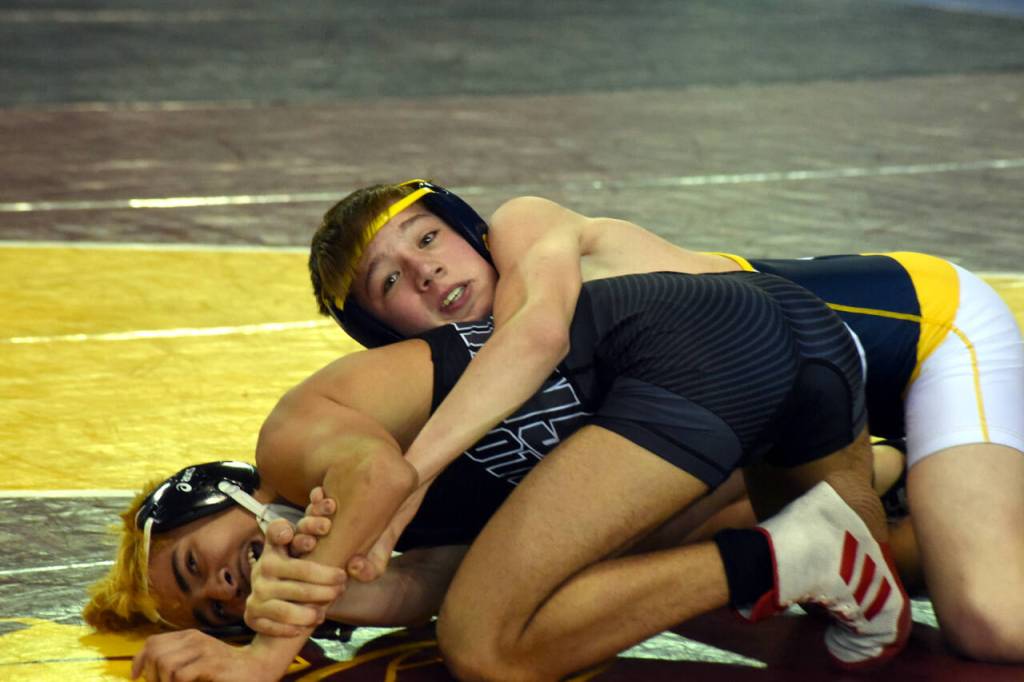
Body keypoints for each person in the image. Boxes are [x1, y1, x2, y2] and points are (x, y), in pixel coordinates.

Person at [309, 179, 1024, 663]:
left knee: (987, 617)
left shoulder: (526, 229)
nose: (424, 270)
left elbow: (534, 337)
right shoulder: (472, 390)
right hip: (808, 421)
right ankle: (906, 485)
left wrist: (412, 476)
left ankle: (911, 482)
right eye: (391, 280)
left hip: (924, 337)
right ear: (383, 332)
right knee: (642, 557)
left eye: (426, 239)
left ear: (468, 230)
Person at [90, 271, 908, 681]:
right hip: (783, 349)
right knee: (868, 630)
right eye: (215, 610)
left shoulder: (291, 440)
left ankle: (787, 551)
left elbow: (381, 476)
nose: (227, 587)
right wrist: (344, 597)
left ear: (223, 491)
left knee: (483, 645)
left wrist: (264, 655)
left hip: (696, 346)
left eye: (200, 563)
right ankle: (825, 540)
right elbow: (435, 582)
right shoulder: (338, 557)